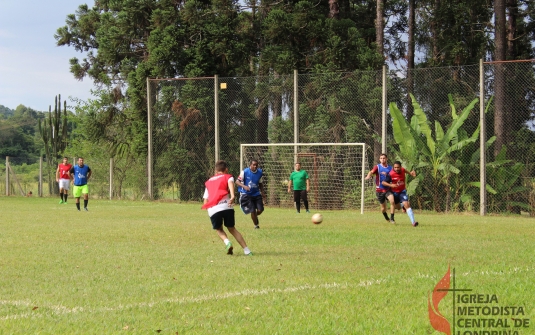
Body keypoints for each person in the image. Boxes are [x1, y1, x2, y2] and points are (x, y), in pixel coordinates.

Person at [203, 160, 252, 256]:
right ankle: (247, 251)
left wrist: (210, 210)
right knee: (232, 228)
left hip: (213, 209)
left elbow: (205, 200)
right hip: (227, 206)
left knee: (219, 229)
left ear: (216, 171)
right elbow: (230, 184)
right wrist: (233, 196)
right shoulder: (228, 177)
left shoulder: (208, 182)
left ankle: (227, 242)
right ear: (226, 169)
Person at [382, 161, 419, 227]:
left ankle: (413, 222)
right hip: (394, 193)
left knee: (407, 204)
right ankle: (402, 206)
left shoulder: (402, 170)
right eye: (395, 167)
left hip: (402, 191)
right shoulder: (391, 174)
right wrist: (391, 185)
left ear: (400, 167)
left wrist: (411, 173)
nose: (396, 169)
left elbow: (405, 171)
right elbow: (383, 182)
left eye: (398, 167)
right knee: (398, 207)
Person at [365, 153, 396, 223]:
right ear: (379, 159)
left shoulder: (390, 168)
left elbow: (393, 176)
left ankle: (392, 218)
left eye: (384, 158)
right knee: (383, 208)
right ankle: (386, 217)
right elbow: (371, 172)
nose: (382, 159)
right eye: (381, 158)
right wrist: (368, 176)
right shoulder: (377, 167)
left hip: (387, 189)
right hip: (379, 190)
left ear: (387, 159)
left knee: (392, 201)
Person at [236, 159, 264, 229]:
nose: (255, 166)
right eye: (253, 165)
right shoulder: (245, 172)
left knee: (260, 210)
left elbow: (260, 183)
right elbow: (237, 181)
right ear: (250, 165)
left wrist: (263, 193)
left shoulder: (260, 172)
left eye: (256, 165)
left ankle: (254, 216)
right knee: (253, 211)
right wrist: (244, 186)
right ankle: (256, 225)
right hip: (247, 194)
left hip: (256, 194)